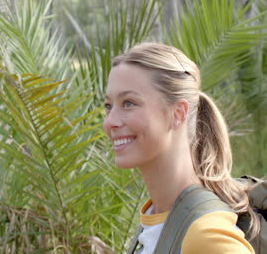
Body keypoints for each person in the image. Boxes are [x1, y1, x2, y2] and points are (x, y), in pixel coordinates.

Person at [102, 42, 259, 254]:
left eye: (129, 103)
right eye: (109, 106)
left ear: (178, 113)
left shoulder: (206, 237)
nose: (110, 122)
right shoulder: (157, 219)